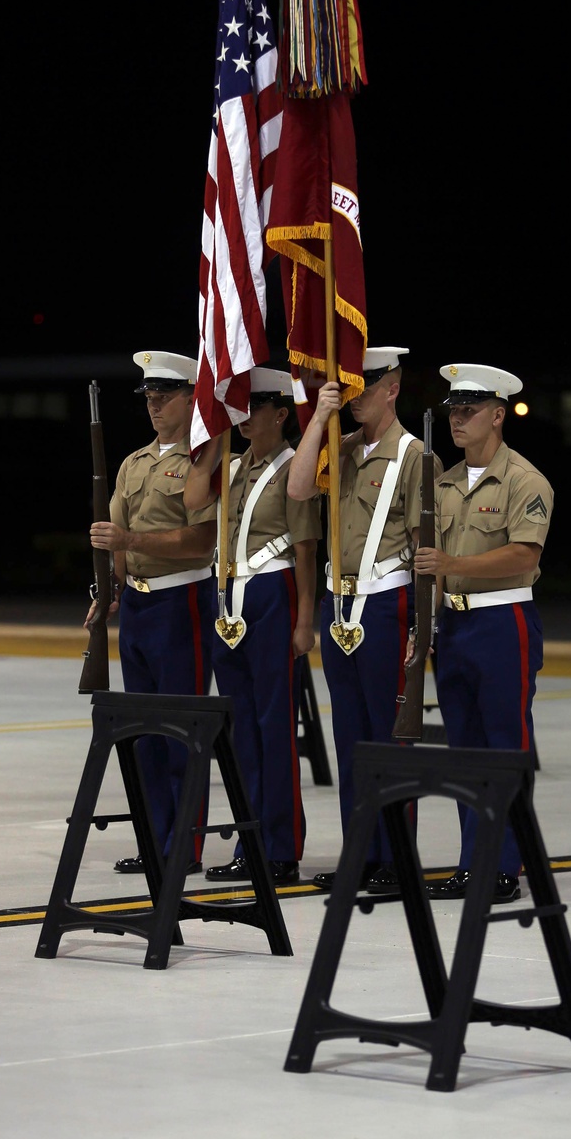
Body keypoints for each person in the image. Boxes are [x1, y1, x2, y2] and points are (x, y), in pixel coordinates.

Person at [287, 346, 440, 892]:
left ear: (393, 388)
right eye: (349, 386)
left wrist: (424, 629)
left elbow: (426, 550)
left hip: (387, 602)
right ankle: (362, 854)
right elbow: (298, 487)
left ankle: (396, 859)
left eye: (365, 386)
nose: (355, 396)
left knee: (388, 738)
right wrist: (322, 417)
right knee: (351, 738)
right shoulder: (341, 448)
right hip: (339, 604)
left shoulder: (415, 456)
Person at [412, 362, 553, 905]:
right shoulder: (444, 482)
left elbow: (524, 552)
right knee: (465, 750)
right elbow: (429, 566)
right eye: (454, 410)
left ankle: (504, 864)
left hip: (502, 621)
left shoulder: (524, 480)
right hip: (455, 622)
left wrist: (450, 561)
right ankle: (473, 863)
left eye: (469, 411)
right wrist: (425, 620)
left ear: (498, 415)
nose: (458, 420)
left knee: (504, 745)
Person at [184, 367, 321, 887]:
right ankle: (249, 839)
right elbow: (195, 501)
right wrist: (216, 436)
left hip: (273, 594)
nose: (243, 416)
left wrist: (305, 620)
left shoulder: (293, 470)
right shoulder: (236, 466)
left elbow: (306, 549)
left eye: (253, 408)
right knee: (241, 731)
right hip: (231, 599)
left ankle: (281, 848)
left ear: (281, 414)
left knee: (274, 725)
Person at [88, 351, 217, 876]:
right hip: (140, 603)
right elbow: (113, 532)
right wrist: (111, 585)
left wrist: (129, 539)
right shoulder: (133, 462)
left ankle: (182, 846)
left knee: (181, 730)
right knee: (142, 734)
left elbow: (202, 543)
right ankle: (152, 838)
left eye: (165, 395)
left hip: (180, 598)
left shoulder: (201, 461)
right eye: (149, 396)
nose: (155, 405)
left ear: (192, 397)